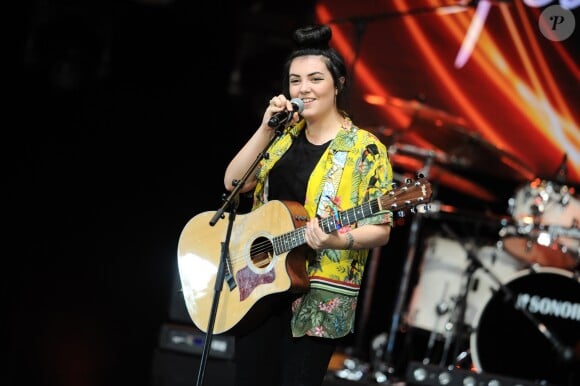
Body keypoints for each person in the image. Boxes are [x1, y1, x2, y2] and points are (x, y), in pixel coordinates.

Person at [223, 24, 394, 386]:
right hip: (258, 287)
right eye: (295, 80)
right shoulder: (282, 137)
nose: (304, 88)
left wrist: (334, 240)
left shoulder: (366, 150)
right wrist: (266, 128)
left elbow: (380, 230)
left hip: (317, 297)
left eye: (315, 79)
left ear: (338, 83)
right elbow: (235, 183)